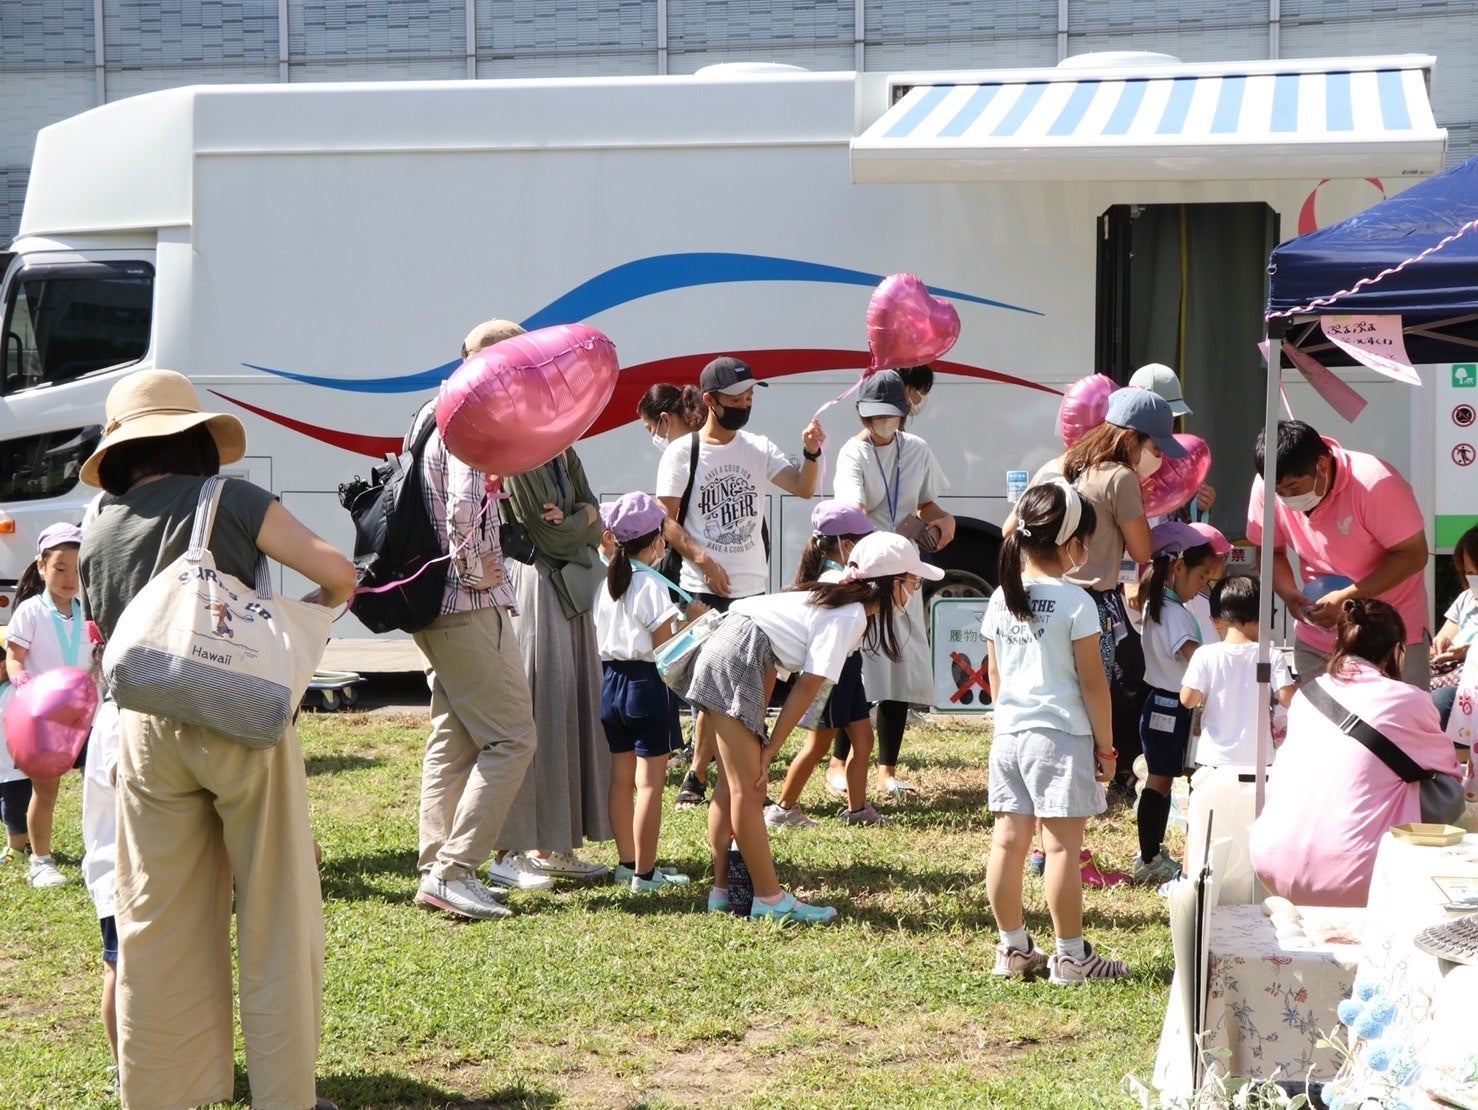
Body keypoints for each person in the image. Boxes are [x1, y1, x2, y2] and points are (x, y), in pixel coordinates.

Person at [78, 368, 355, 1110]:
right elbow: (338, 572)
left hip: (142, 730)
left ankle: (164, 1092)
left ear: (120, 450)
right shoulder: (228, 499)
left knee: (154, 922)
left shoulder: (98, 524)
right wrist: (302, 615)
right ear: (196, 439)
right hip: (239, 718)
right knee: (275, 910)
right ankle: (285, 1096)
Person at [687, 532, 936, 923]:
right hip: (738, 655)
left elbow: (778, 653)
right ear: (893, 584)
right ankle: (768, 899)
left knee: (732, 787)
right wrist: (769, 750)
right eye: (913, 581)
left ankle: (723, 892)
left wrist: (763, 740)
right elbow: (808, 686)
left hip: (732, 647)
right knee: (749, 790)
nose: (914, 590)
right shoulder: (851, 615)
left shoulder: (841, 591)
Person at [409, 317, 540, 915]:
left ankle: (436, 863)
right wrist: (475, 571)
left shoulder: (433, 411)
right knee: (513, 738)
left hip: (434, 605)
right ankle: (453, 871)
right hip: (466, 605)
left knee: (455, 735)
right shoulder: (471, 417)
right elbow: (464, 505)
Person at [655, 356, 825, 809]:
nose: (746, 404)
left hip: (753, 591)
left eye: (749, 396)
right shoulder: (684, 452)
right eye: (737, 398)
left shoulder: (758, 447)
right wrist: (703, 559)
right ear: (711, 400)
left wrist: (811, 452)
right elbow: (665, 520)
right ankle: (697, 773)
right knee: (713, 687)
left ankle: (741, 776)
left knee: (753, 689)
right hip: (702, 588)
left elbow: (803, 487)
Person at [983, 479, 1129, 984]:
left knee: (1007, 845)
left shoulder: (1001, 597)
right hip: (1060, 737)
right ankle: (1071, 957)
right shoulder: (1076, 602)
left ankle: (1013, 949)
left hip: (1008, 737)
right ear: (1071, 543)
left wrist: (1010, 719)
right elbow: (1093, 683)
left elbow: (995, 675)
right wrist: (1107, 748)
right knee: (1062, 847)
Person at [1015, 387, 1186, 789]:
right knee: (1103, 688)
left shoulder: (1070, 464)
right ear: (1132, 439)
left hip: (1046, 594)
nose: (1158, 458)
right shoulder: (1121, 477)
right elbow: (1141, 548)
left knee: (1057, 687)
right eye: (1155, 448)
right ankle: (1101, 769)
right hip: (1093, 603)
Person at [1250, 599, 1462, 907]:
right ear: (1397, 650)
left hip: (1272, 861)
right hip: (1357, 876)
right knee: (1436, 791)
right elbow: (1449, 779)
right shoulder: (1409, 699)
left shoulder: (1307, 695)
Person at [830, 369, 954, 799]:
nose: (883, 422)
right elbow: (855, 513)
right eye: (875, 415)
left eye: (891, 414)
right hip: (867, 572)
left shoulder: (917, 449)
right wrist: (889, 538)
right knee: (858, 668)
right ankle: (838, 762)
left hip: (904, 572)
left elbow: (928, 502)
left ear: (904, 412)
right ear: (861, 413)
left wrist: (943, 520)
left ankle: (887, 770)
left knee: (900, 666)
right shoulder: (853, 453)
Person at [495, 441, 614, 883]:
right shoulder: (517, 455)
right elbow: (547, 536)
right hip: (539, 588)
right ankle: (510, 850)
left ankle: (555, 845)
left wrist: (581, 517)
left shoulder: (563, 450)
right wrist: (583, 518)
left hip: (570, 588)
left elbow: (595, 516)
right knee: (540, 707)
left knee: (570, 709)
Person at [1248, 419, 1430, 687]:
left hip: (1389, 638)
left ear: (1322, 465)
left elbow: (1413, 555)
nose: (1286, 498)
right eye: (1278, 491)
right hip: (1318, 640)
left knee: (1398, 714)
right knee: (1319, 713)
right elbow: (1270, 553)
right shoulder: (1267, 486)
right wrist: (1288, 594)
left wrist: (1348, 597)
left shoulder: (1375, 482)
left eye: (1294, 488)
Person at [594, 491, 706, 891]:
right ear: (657, 541)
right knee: (649, 786)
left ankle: (628, 863)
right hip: (645, 686)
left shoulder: (607, 583)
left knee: (621, 781)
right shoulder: (651, 586)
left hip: (611, 684)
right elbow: (666, 651)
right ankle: (645, 874)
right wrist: (696, 623)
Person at [765, 500, 884, 828]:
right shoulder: (837, 582)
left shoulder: (842, 577)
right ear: (847, 545)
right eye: (863, 540)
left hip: (848, 668)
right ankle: (782, 809)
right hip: (829, 672)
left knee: (864, 740)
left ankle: (858, 810)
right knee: (818, 745)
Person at [4, 522, 92, 888]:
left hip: (84, 717)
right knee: (46, 791)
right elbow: (14, 657)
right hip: (43, 718)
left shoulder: (87, 611)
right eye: (60, 568)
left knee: (99, 787)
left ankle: (100, 852)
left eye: (76, 570)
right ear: (41, 567)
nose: (69, 578)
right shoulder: (30, 611)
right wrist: (23, 683)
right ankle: (41, 860)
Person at [1132, 521, 1216, 884]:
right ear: (1179, 567)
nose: (1202, 586)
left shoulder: (1159, 605)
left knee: (1162, 779)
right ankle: (1149, 857)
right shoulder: (1174, 612)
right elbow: (1193, 655)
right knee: (1161, 780)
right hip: (1172, 705)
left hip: (1159, 703)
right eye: (1201, 577)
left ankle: (1152, 854)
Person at [1179, 576, 1296, 768]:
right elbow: (1288, 699)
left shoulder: (1204, 655)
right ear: (1262, 617)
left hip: (1214, 758)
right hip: (1259, 760)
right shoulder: (1270, 655)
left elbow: (1187, 700)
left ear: (1215, 621)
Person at [81, 697, 122, 1081]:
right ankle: (124, 1065)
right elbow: (122, 774)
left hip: (139, 872)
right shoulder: (115, 716)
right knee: (120, 969)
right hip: (117, 871)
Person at [1431, 524, 1478, 729]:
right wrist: (1441, 644)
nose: (1475, 579)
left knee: (1439, 701)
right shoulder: (1466, 598)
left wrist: (1469, 652)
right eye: (1470, 573)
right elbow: (1443, 639)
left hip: (1469, 684)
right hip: (1449, 676)